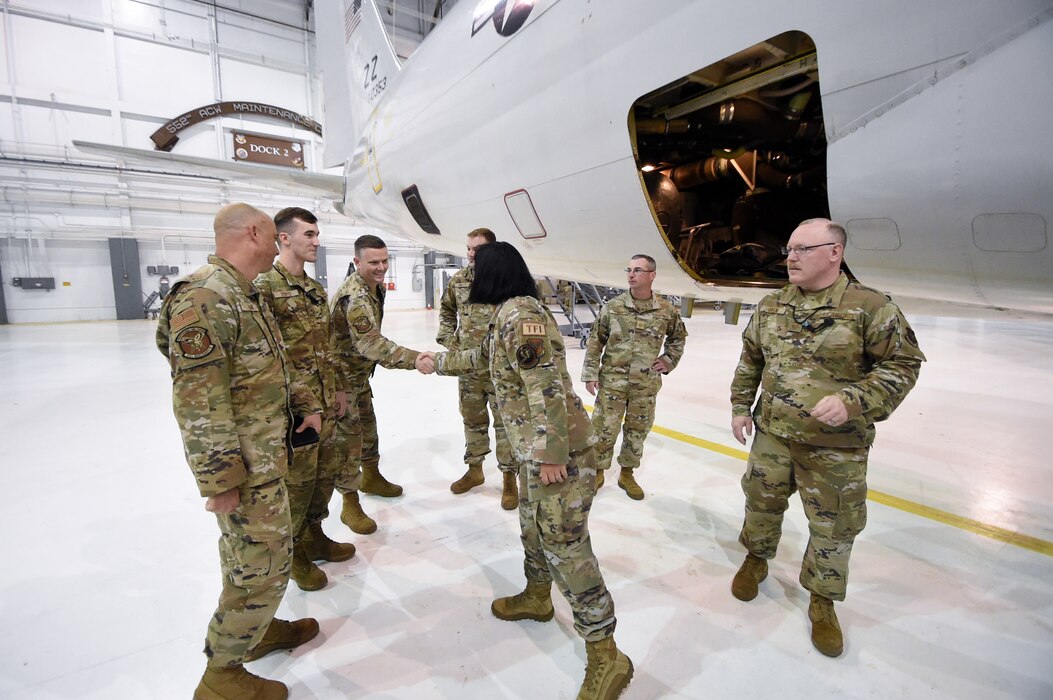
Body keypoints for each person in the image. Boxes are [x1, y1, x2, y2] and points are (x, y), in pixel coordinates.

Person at [435, 242, 633, 700]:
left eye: (476, 266)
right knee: (532, 528)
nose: (471, 273)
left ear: (493, 272)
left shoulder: (523, 315)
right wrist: (430, 361)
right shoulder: (505, 314)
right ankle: (538, 595)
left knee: (566, 544)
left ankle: (606, 652)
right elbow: (480, 357)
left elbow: (544, 388)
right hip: (535, 451)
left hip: (558, 453)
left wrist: (549, 455)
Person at [729, 218, 925, 657]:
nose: (790, 258)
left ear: (835, 252)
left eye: (802, 249)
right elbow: (750, 359)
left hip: (836, 445)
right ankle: (757, 558)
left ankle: (822, 599)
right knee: (760, 502)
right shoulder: (773, 304)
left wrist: (855, 398)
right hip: (774, 434)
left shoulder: (871, 306)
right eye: (789, 249)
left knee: (834, 525)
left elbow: (903, 365)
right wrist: (741, 407)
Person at [156, 203, 321, 700]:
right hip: (245, 471)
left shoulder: (243, 293)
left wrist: (302, 406)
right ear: (253, 232)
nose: (278, 245)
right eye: (273, 236)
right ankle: (222, 677)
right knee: (259, 567)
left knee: (257, 560)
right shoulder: (207, 296)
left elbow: (269, 367)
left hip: (268, 459)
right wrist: (220, 480)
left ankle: (258, 631)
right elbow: (198, 399)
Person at [255, 207, 356, 592]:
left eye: (316, 235)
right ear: (284, 238)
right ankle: (294, 553)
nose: (316, 242)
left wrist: (341, 388)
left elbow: (330, 347)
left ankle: (314, 535)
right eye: (309, 235)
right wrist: (303, 404)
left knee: (323, 476)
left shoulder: (314, 290)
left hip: (327, 401)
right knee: (296, 485)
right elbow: (269, 355)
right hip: (293, 411)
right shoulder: (264, 287)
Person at [330, 234, 434, 513]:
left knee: (368, 429)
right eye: (373, 262)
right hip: (341, 379)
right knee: (349, 440)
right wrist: (415, 359)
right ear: (357, 261)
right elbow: (370, 344)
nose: (381, 267)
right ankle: (349, 503)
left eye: (385, 261)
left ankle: (372, 478)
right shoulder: (356, 297)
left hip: (359, 375)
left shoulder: (376, 288)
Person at [581, 254, 687, 500]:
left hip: (645, 384)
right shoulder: (613, 307)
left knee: (637, 430)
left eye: (638, 270)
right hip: (612, 382)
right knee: (603, 429)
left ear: (652, 275)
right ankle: (598, 471)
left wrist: (668, 360)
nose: (631, 274)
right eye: (629, 269)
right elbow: (596, 341)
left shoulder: (665, 310)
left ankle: (627, 473)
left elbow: (678, 338)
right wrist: (590, 373)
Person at [436, 227, 518, 509]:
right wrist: (449, 340)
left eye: (477, 250)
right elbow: (446, 310)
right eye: (468, 248)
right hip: (467, 367)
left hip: (501, 370)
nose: (471, 254)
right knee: (472, 419)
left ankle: (509, 477)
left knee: (506, 424)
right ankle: (475, 469)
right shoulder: (459, 281)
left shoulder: (507, 282)